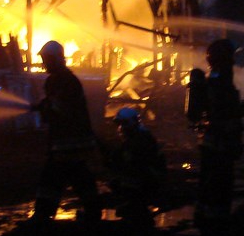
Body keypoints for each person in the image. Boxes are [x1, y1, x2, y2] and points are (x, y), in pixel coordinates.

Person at [186, 38, 244, 236]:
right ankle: (217, 225)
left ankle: (205, 215)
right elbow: (221, 110)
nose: (234, 62)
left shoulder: (215, 78)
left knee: (209, 179)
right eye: (231, 57)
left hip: (212, 140)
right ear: (224, 58)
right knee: (220, 181)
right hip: (220, 140)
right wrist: (241, 111)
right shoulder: (219, 79)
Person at [29, 40, 101, 224]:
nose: (44, 64)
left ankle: (43, 214)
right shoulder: (61, 79)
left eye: (46, 59)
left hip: (68, 141)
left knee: (53, 177)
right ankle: (92, 212)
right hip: (70, 141)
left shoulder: (64, 80)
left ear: (55, 59)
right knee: (78, 177)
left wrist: (45, 107)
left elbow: (61, 109)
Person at [103, 106, 167, 223]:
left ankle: (135, 203)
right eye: (119, 124)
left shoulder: (140, 141)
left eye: (123, 124)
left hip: (148, 179)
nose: (120, 128)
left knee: (122, 181)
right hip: (149, 177)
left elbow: (134, 164)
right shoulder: (138, 138)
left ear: (133, 123)